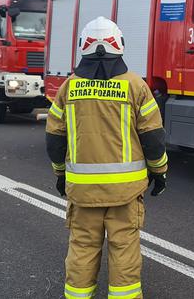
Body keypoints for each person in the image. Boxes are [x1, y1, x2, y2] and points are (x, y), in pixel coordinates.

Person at [46, 17, 168, 299]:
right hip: (125, 193)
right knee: (124, 249)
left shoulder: (69, 88)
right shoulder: (136, 86)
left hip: (83, 192)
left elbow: (54, 139)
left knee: (82, 248)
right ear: (119, 46)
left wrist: (60, 174)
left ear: (83, 47)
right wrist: (159, 173)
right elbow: (153, 137)